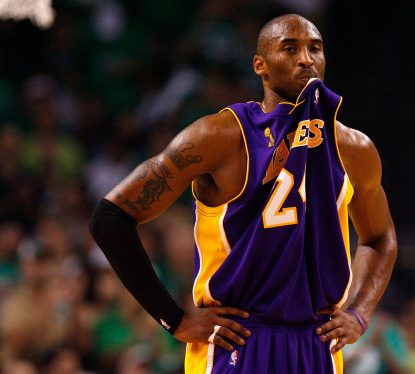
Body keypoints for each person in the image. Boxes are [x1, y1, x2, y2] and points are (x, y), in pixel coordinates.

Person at [89, 13, 397, 373]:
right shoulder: (218, 136)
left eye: (315, 48)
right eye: (290, 48)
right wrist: (174, 319)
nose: (306, 58)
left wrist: (359, 315)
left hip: (318, 343)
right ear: (260, 66)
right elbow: (110, 218)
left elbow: (380, 237)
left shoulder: (354, 147)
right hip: (237, 340)